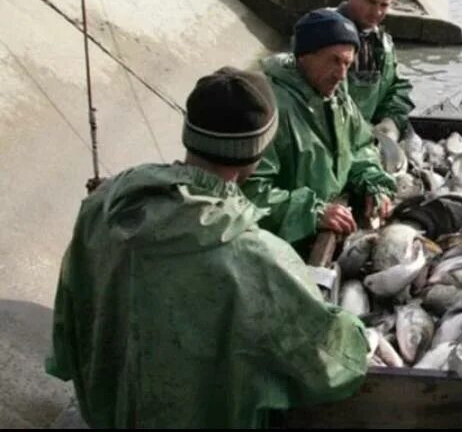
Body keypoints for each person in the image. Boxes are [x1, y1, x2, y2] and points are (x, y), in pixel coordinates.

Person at [45, 67, 369, 428]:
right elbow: (333, 364)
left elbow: (68, 315)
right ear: (257, 151)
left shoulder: (102, 202)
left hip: (107, 413)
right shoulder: (254, 257)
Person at [242, 8, 397, 258]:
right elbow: (248, 193)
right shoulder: (267, 107)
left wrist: (372, 182)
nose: (342, 74)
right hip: (274, 248)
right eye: (334, 60)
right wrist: (313, 212)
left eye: (348, 63)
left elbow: (360, 147)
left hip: (319, 228)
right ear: (304, 56)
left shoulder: (338, 98)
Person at [336, 0, 416, 138]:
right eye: (370, 2)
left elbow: (397, 86)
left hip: (369, 137)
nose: (377, 11)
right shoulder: (324, 33)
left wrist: (391, 121)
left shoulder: (384, 43)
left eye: (384, 5)